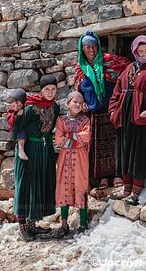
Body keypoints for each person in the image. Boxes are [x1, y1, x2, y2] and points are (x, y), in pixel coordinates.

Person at [109, 35, 146, 205]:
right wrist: (113, 110)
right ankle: (125, 190)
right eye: (140, 51)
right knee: (125, 151)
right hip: (124, 115)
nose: (144, 54)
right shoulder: (129, 68)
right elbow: (117, 90)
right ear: (135, 51)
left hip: (142, 116)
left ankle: (135, 193)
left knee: (138, 153)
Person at [74, 30, 130, 190]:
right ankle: (103, 178)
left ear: (98, 46)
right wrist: (81, 101)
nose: (91, 50)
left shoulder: (110, 61)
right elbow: (77, 90)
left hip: (113, 110)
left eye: (93, 46)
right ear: (82, 49)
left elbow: (128, 70)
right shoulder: (80, 69)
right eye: (87, 47)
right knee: (97, 147)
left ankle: (118, 174)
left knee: (117, 144)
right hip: (93, 114)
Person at [12, 74, 60, 241]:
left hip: (44, 150)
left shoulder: (56, 107)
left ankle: (33, 225)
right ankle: (23, 227)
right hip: (28, 150)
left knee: (38, 185)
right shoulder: (29, 109)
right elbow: (18, 128)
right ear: (41, 90)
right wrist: (21, 149)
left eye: (53, 89)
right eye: (47, 89)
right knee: (25, 186)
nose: (50, 92)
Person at [55, 91, 90, 236]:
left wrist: (69, 136)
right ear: (68, 103)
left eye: (80, 103)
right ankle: (63, 224)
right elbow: (58, 139)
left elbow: (86, 136)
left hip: (80, 158)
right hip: (65, 158)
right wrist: (76, 138)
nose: (77, 104)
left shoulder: (85, 120)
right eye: (75, 101)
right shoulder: (61, 120)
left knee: (80, 185)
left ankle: (83, 222)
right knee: (64, 186)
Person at [7, 88, 28, 161]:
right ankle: (21, 150)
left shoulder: (25, 108)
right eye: (13, 106)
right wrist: (16, 116)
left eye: (18, 106)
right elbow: (10, 121)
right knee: (21, 132)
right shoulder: (10, 111)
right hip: (15, 131)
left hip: (24, 130)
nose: (16, 108)